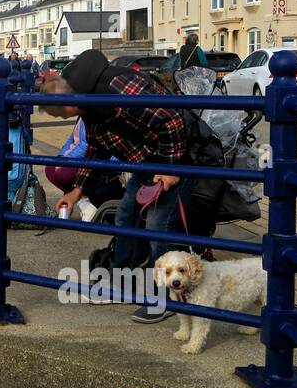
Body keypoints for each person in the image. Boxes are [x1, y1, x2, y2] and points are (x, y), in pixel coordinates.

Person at [42, 49, 191, 324]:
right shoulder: (88, 104)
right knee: (125, 216)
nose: (64, 120)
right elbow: (97, 148)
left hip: (174, 161)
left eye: (62, 114)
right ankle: (122, 286)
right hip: (147, 163)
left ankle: (168, 298)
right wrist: (76, 191)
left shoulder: (118, 89)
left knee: (158, 227)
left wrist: (170, 168)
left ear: (69, 101)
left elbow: (171, 120)